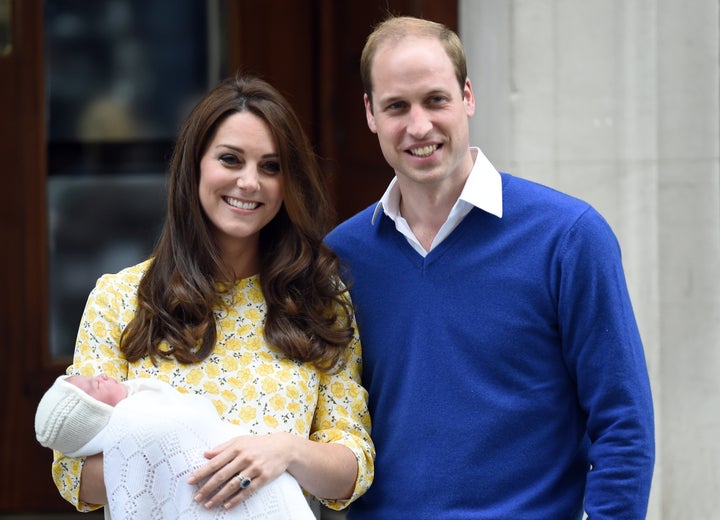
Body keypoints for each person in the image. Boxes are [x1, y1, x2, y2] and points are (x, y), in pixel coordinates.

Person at [325, 15, 654, 520]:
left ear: (468, 96)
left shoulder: (568, 237)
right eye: (396, 106)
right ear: (369, 113)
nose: (419, 126)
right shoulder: (341, 258)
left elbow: (623, 425)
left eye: (436, 99)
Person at [49, 75, 374, 519]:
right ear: (195, 165)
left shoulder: (320, 300)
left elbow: (352, 469)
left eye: (271, 166)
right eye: (230, 159)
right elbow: (74, 477)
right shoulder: (121, 298)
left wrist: (284, 452)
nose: (249, 182)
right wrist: (187, 455)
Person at [35, 373, 315, 519]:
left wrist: (286, 448)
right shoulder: (134, 418)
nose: (101, 375)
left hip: (269, 481)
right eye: (92, 387)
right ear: (94, 414)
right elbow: (70, 475)